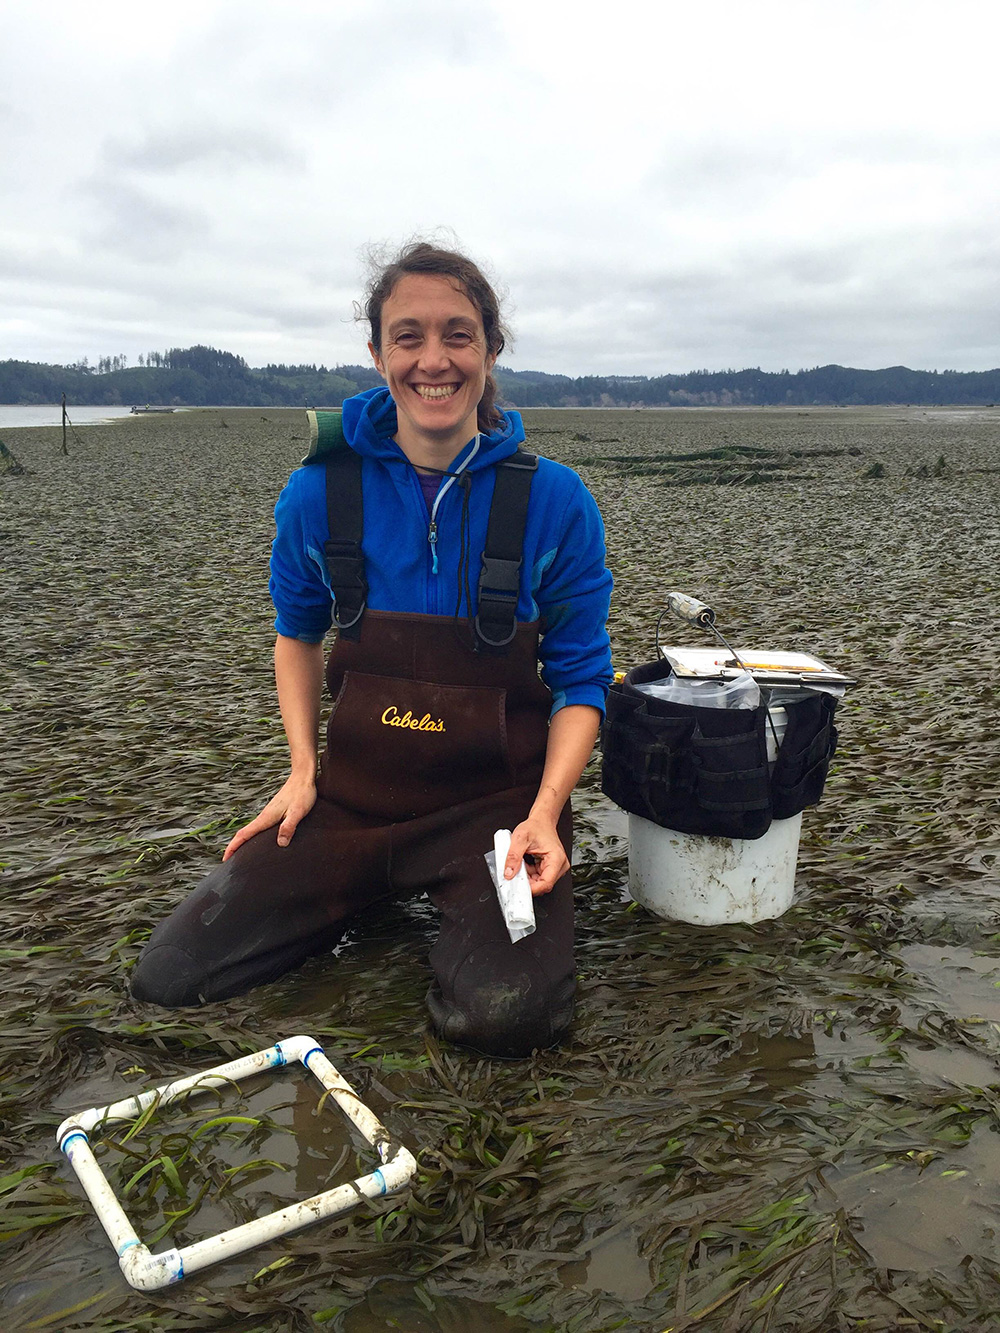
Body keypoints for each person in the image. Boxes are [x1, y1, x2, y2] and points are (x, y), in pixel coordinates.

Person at [131, 241, 613, 1058]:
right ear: (377, 353)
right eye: (409, 336)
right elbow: (297, 634)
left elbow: (582, 680)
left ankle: (456, 900)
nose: (435, 359)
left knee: (507, 1020)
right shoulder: (319, 492)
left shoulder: (555, 500)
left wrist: (545, 810)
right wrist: (300, 769)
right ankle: (365, 888)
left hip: (495, 815)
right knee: (171, 977)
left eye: (459, 335)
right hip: (351, 803)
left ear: (491, 352)